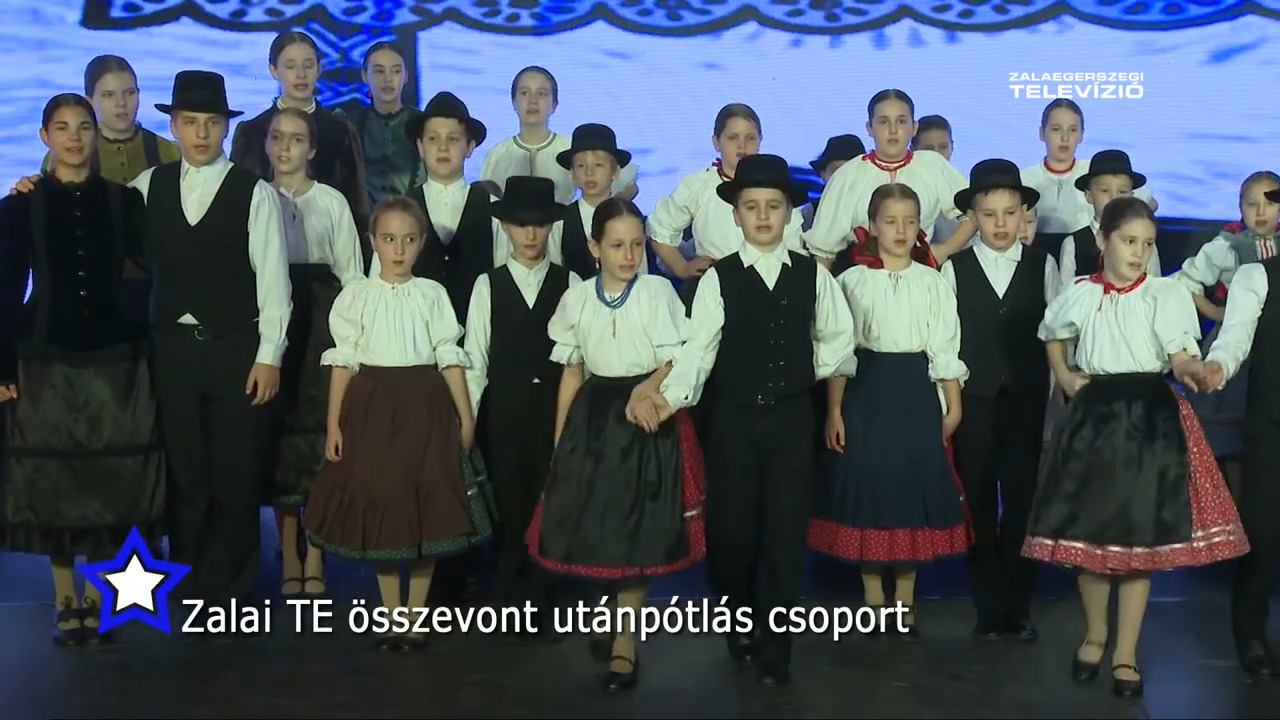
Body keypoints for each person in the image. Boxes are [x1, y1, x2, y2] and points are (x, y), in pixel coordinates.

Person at [1022, 196, 1248, 697]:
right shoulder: (1081, 293)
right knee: (1092, 541)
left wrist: (1194, 370)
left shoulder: (1164, 294)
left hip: (1147, 419)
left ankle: (1126, 653)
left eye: (1147, 244)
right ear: (1102, 240)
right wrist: (1064, 375)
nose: (1139, 252)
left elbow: (1179, 353)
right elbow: (1052, 332)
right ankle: (1095, 635)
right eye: (1129, 241)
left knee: (1138, 546)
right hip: (1095, 419)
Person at [651, 154, 856, 685]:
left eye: (773, 206)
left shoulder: (813, 276)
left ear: (789, 212)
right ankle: (738, 620)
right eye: (752, 206)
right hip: (733, 423)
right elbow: (699, 352)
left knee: (785, 533)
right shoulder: (718, 280)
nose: (763, 216)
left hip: (791, 422)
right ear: (736, 214)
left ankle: (775, 647)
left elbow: (836, 342)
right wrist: (669, 398)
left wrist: (802, 378)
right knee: (734, 531)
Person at [0, 93, 163, 646]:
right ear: (45, 136)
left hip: (116, 352)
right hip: (44, 353)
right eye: (62, 127)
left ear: (96, 135)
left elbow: (159, 263)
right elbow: (5, 286)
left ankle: (96, 595)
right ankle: (64, 597)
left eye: (83, 127)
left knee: (109, 477)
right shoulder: (20, 205)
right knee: (54, 478)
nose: (74, 137)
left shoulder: (122, 201)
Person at [525, 197, 704, 691]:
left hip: (644, 416)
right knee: (600, 525)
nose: (628, 255)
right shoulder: (578, 299)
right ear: (594, 248)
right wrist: (562, 438)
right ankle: (609, 611)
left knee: (638, 529)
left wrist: (648, 389)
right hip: (595, 418)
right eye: (617, 245)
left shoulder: (656, 293)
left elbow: (675, 357)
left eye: (636, 245)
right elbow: (572, 371)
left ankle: (626, 639)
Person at [304, 196, 493, 652]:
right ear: (373, 241)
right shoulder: (357, 296)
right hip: (372, 409)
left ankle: (416, 615)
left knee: (426, 506)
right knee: (384, 503)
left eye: (409, 240)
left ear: (422, 243)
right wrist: (334, 424)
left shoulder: (432, 295)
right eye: (389, 239)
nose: (399, 249)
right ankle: (391, 615)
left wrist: (465, 417)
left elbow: (449, 357)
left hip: (425, 408)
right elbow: (343, 362)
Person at [135, 70, 293, 609]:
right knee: (185, 470)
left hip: (234, 350)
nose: (201, 133)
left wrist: (269, 355)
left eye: (211, 122)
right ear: (174, 127)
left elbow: (274, 281)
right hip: (172, 351)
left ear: (226, 127)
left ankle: (232, 587)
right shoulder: (147, 187)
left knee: (235, 469)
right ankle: (189, 581)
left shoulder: (254, 193)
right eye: (190, 122)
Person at [809, 183, 970, 638]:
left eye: (910, 221)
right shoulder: (851, 281)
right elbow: (839, 351)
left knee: (908, 491)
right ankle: (872, 597)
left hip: (914, 393)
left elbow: (944, 346)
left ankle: (905, 598)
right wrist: (834, 409)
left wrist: (953, 404)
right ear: (873, 226)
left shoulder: (932, 282)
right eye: (891, 221)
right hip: (865, 392)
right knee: (868, 489)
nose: (901, 230)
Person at [941, 159, 1058, 640]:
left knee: (1022, 502)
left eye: (1010, 213)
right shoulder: (955, 268)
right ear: (973, 217)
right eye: (989, 215)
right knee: (980, 504)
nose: (1001, 224)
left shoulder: (1042, 265)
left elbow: (1054, 335)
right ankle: (986, 606)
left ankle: (1018, 605)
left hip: (1026, 402)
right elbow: (947, 342)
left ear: (1024, 213)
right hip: (977, 402)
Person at [463, 175, 580, 636]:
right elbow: (475, 360)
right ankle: (512, 601)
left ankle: (545, 598)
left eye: (540, 224)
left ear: (551, 226)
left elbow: (579, 358)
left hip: (553, 410)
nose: (531, 234)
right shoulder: (487, 285)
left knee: (550, 499)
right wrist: (468, 419)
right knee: (509, 502)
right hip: (505, 411)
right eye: (521, 224)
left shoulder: (570, 282)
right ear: (506, 227)